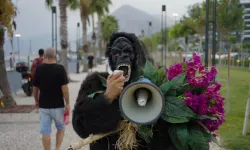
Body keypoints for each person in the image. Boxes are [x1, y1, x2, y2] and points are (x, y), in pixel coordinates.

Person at [72, 32, 175, 150]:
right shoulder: (95, 83)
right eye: (116, 53)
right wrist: (107, 97)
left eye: (127, 52)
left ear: (135, 55)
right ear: (110, 58)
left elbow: (165, 136)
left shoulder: (151, 86)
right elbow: (80, 127)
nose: (123, 56)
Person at [33, 48, 70, 150]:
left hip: (44, 106)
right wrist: (67, 103)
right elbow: (65, 89)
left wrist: (36, 101)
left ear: (45, 56)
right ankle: (57, 148)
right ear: (55, 56)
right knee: (61, 128)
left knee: (45, 132)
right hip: (58, 106)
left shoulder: (39, 69)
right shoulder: (60, 69)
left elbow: (35, 88)